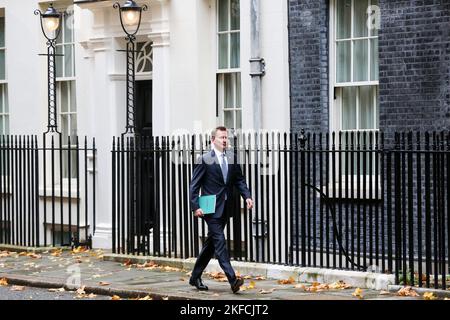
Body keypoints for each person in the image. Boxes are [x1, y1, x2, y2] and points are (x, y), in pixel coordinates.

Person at [189, 126, 254, 293]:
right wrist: (195, 207)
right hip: (210, 209)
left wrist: (246, 196)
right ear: (213, 140)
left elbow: (239, 180)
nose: (225, 140)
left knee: (210, 245)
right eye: (221, 137)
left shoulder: (232, 157)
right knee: (220, 243)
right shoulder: (205, 159)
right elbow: (194, 185)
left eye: (226, 137)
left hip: (226, 208)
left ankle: (195, 277)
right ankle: (233, 280)